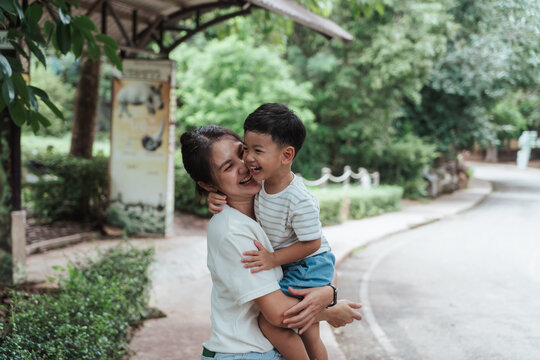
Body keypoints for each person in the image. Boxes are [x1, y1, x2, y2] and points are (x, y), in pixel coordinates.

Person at [180, 125, 361, 360]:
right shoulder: (232, 231)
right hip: (244, 353)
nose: (244, 165)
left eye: (242, 152)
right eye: (228, 167)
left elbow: (321, 258)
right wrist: (330, 311)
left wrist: (328, 292)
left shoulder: (271, 201)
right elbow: (277, 314)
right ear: (207, 185)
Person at [208, 103, 334, 359]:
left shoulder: (298, 199)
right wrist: (213, 195)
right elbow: (237, 196)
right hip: (295, 261)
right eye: (246, 149)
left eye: (257, 151)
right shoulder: (262, 184)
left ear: (286, 156)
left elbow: (313, 244)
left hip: (308, 263)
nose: (248, 160)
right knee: (304, 329)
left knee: (282, 325)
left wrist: (273, 259)